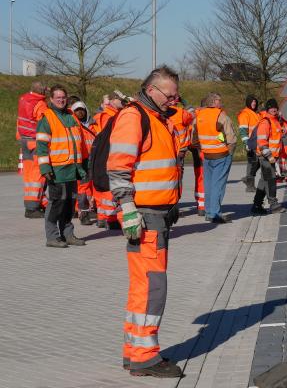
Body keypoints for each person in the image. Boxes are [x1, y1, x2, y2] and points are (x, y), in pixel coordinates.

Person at [107, 66, 183, 378]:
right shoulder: (134, 117)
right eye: (169, 95)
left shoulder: (158, 118)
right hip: (145, 215)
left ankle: (134, 351)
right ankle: (144, 355)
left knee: (144, 286)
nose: (174, 100)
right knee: (153, 287)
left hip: (156, 213)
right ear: (151, 90)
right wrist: (127, 209)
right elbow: (119, 167)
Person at [36, 85, 88, 248]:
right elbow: (42, 146)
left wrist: (84, 163)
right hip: (57, 170)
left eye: (63, 97)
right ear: (51, 99)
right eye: (57, 98)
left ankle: (68, 234)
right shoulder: (47, 118)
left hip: (72, 169)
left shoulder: (72, 116)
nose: (61, 100)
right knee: (56, 203)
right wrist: (45, 169)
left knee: (69, 204)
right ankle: (52, 237)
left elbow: (81, 142)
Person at [192, 92, 237, 223]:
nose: (221, 103)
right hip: (221, 155)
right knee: (218, 184)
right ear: (214, 102)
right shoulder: (221, 116)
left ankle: (208, 211)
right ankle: (215, 213)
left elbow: (194, 139)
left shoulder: (199, 116)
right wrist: (230, 152)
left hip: (206, 155)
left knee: (208, 184)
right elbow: (232, 138)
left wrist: (202, 149)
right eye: (219, 100)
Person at [93, 92, 125, 229]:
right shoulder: (108, 116)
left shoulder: (109, 115)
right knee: (107, 188)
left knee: (102, 189)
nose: (121, 102)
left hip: (102, 153)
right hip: (107, 154)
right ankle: (110, 218)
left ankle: (103, 217)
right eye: (119, 99)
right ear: (112, 101)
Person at [17, 81, 48, 218]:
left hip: (24, 140)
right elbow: (44, 124)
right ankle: (32, 208)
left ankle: (36, 204)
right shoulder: (40, 104)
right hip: (36, 142)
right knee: (37, 175)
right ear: (42, 90)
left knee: (29, 175)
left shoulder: (23, 99)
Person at [251, 99, 286, 215]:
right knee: (271, 180)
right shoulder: (266, 122)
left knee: (264, 181)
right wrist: (269, 155)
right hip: (266, 156)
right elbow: (262, 141)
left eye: (275, 107)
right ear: (267, 109)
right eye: (271, 107)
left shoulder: (275, 120)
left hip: (272, 156)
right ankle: (273, 204)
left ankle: (256, 205)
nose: (274, 109)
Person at [71, 101, 97, 225]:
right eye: (77, 110)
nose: (80, 112)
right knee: (82, 188)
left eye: (82, 109)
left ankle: (90, 209)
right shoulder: (72, 126)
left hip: (94, 160)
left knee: (92, 187)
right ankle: (83, 212)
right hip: (81, 161)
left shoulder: (94, 125)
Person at [238, 94, 261, 192]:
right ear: (248, 103)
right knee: (252, 163)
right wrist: (247, 144)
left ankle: (248, 179)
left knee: (257, 163)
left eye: (255, 102)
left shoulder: (255, 114)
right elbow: (243, 131)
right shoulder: (245, 114)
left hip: (258, 143)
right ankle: (250, 186)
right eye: (252, 102)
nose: (254, 104)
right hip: (251, 143)